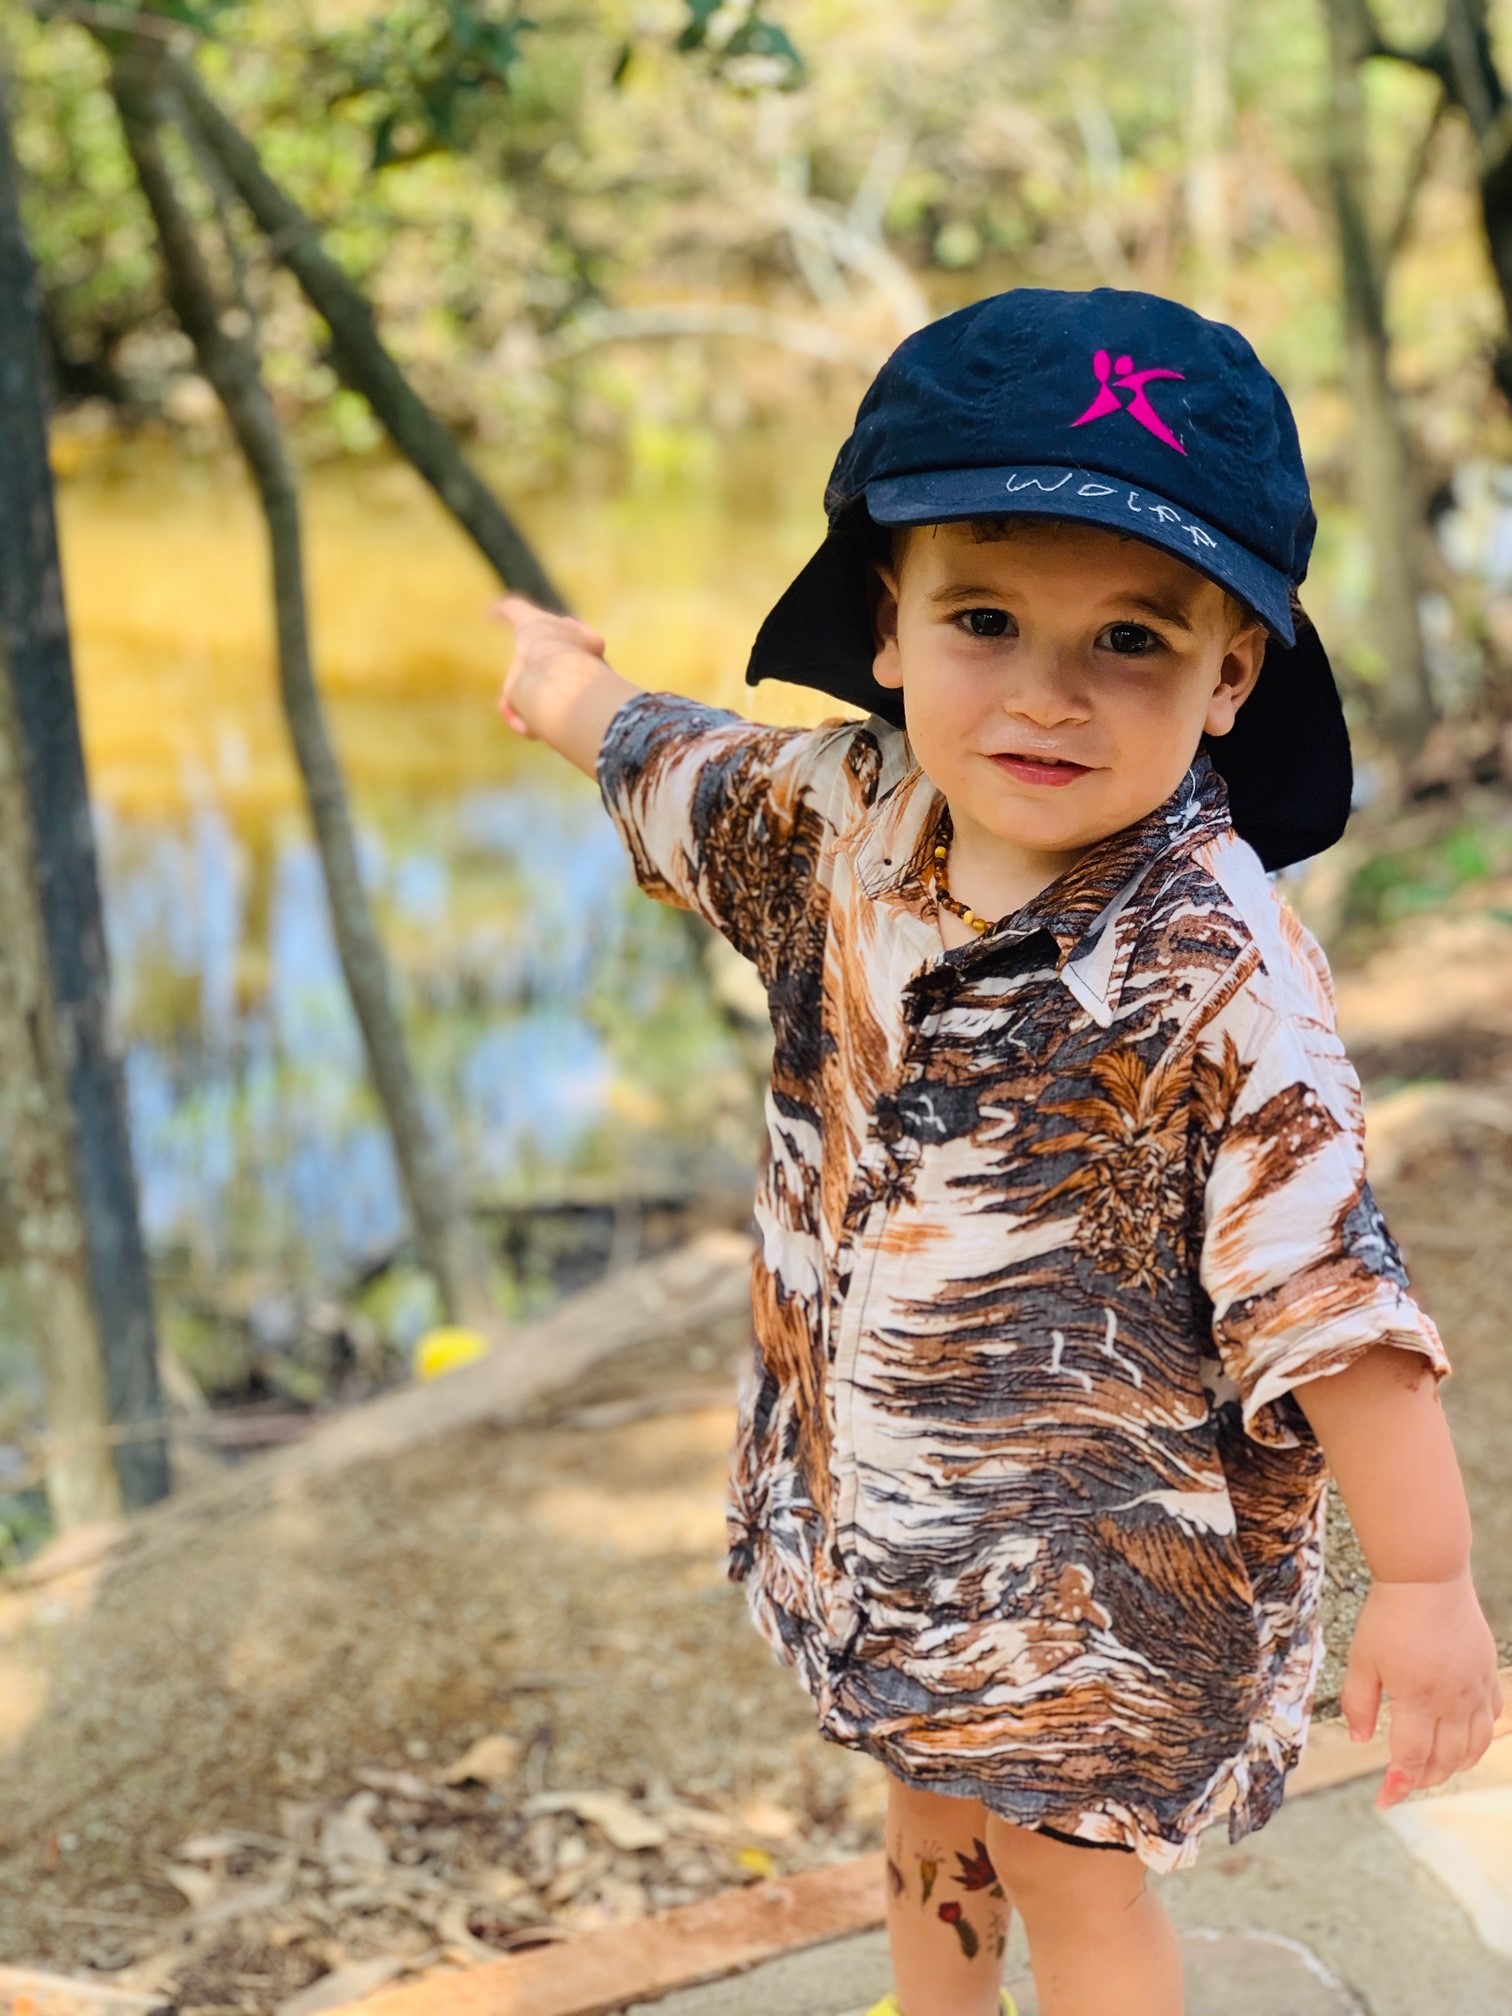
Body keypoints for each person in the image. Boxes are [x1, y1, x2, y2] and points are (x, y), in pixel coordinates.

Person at [488, 287, 1504, 2016]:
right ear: (887, 626)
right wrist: (561, 684)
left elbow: (1333, 1286)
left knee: (1065, 1869)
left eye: (1131, 639)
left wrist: (1425, 1584)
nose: (1047, 697)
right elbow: (671, 759)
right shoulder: (840, 816)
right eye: (984, 619)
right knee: (929, 1825)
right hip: (881, 1510)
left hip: (1095, 1565)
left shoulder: (1211, 965)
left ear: (1231, 672)